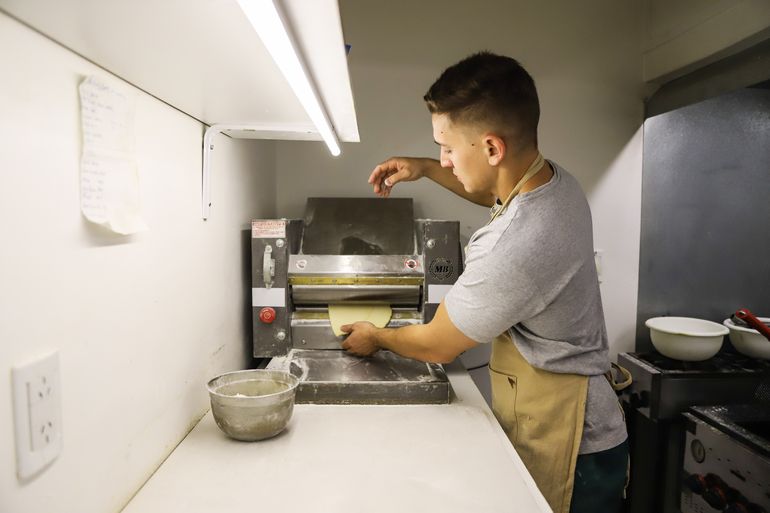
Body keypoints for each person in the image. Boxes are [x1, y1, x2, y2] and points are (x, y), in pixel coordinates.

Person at [340, 51, 629, 513]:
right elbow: (493, 191)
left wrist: (375, 337)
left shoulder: (514, 248)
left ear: (493, 148)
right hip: (592, 424)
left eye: (447, 148)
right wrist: (425, 168)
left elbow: (438, 345)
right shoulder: (554, 183)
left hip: (573, 447)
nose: (445, 159)